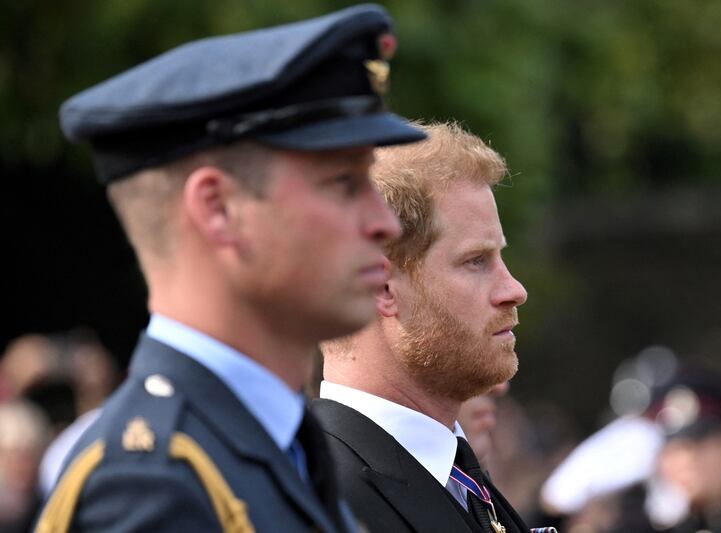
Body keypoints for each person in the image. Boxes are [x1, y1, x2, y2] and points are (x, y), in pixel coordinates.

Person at [33, 5, 425, 533]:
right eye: (344, 184)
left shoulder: (281, 442)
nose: (385, 224)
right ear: (219, 209)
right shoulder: (152, 488)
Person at [314, 122, 536, 533]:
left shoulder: (461, 477)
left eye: (499, 259)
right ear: (381, 287)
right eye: (476, 261)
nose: (514, 290)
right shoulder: (320, 499)